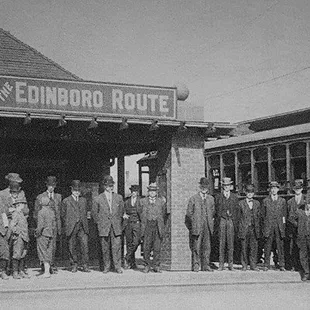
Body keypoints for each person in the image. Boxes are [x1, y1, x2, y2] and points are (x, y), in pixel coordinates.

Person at [92, 175, 126, 274]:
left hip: (116, 227)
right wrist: (100, 223)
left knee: (117, 247)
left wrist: (118, 223)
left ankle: (117, 267)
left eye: (111, 185)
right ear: (104, 187)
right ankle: (106, 266)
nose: (110, 188)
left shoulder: (119, 198)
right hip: (104, 227)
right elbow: (94, 214)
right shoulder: (98, 199)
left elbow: (121, 211)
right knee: (105, 248)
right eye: (108, 186)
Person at [185, 177, 215, 272]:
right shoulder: (193, 199)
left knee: (207, 247)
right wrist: (194, 223)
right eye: (202, 186)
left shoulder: (211, 199)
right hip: (197, 226)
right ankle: (196, 265)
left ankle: (205, 265)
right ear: (199, 187)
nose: (204, 188)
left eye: (206, 186)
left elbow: (213, 212)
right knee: (196, 247)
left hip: (208, 226)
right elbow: (189, 214)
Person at [34, 176, 62, 273]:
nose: (51, 187)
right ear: (46, 185)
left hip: (54, 225)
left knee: (53, 246)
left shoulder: (58, 197)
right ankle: (44, 266)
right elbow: (36, 213)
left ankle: (52, 265)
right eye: (50, 185)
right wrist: (40, 226)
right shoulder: (40, 197)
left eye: (53, 186)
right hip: (45, 226)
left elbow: (60, 213)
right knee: (44, 246)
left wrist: (59, 226)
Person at [61, 180, 90, 273]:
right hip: (71, 227)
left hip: (82, 227)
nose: (77, 192)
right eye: (75, 190)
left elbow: (87, 212)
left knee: (84, 246)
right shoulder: (66, 201)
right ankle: (74, 264)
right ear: (71, 190)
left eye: (78, 190)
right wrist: (68, 223)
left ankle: (85, 264)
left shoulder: (84, 200)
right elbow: (63, 214)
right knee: (72, 246)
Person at [140, 183, 167, 273]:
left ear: (156, 192)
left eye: (154, 191)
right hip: (147, 225)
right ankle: (146, 265)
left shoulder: (161, 202)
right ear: (148, 192)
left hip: (157, 225)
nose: (152, 193)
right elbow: (139, 212)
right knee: (146, 247)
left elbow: (163, 214)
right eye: (151, 191)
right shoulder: (142, 201)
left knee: (157, 247)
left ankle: (156, 265)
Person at [215, 177, 240, 271]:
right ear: (222, 186)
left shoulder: (234, 197)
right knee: (221, 243)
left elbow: (237, 211)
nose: (226, 187)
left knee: (230, 244)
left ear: (231, 186)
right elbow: (216, 210)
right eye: (225, 185)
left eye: (228, 185)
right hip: (222, 220)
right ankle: (221, 264)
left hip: (230, 221)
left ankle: (230, 264)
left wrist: (234, 220)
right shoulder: (218, 197)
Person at [262, 181, 287, 271]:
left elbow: (284, 215)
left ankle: (281, 265)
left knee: (280, 246)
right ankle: (266, 265)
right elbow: (263, 216)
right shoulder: (265, 201)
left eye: (275, 188)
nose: (273, 190)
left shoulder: (282, 201)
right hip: (269, 226)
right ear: (270, 189)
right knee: (267, 246)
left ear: (278, 189)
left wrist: (283, 227)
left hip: (279, 226)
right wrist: (265, 228)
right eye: (272, 188)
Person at [238, 184, 261, 271]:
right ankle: (244, 265)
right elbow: (238, 218)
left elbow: (259, 217)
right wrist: (240, 229)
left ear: (253, 193)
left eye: (251, 192)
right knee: (244, 247)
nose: (250, 194)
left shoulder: (257, 203)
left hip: (254, 228)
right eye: (248, 192)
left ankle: (253, 265)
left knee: (253, 247)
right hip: (244, 228)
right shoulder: (241, 204)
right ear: (245, 193)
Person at [285, 179, 305, 271]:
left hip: (303, 228)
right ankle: (294, 265)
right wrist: (294, 223)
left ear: (302, 189)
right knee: (293, 247)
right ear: (293, 189)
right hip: (293, 228)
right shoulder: (289, 202)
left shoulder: (306, 200)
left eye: (299, 188)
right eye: (296, 188)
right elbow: (288, 215)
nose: (297, 190)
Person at [289, 198, 310, 281]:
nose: (309, 205)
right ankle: (306, 273)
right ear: (305, 203)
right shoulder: (299, 211)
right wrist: (298, 226)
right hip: (302, 236)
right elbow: (290, 218)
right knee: (303, 255)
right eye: (308, 203)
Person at [36, 196, 56, 278]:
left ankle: (46, 272)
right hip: (50, 234)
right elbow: (54, 224)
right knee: (49, 252)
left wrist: (37, 233)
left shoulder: (41, 212)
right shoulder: (51, 212)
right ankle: (48, 270)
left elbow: (40, 225)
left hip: (43, 234)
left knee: (43, 252)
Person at [10, 198, 30, 279]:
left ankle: (21, 271)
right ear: (18, 205)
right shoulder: (16, 213)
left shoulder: (21, 213)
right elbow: (12, 225)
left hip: (24, 236)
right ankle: (15, 272)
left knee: (23, 254)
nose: (23, 205)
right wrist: (17, 232)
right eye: (22, 204)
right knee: (17, 254)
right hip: (19, 237)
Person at [123, 184, 142, 270]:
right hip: (128, 223)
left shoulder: (141, 201)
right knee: (129, 242)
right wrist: (124, 214)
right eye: (132, 192)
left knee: (136, 241)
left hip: (137, 223)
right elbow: (122, 210)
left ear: (137, 192)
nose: (134, 193)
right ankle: (132, 263)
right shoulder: (126, 201)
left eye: (135, 192)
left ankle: (127, 257)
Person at [0, 197, 9, 280]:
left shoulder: (1, 204)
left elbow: (4, 217)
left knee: (4, 252)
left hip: (1, 232)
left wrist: (5, 229)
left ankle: (3, 271)